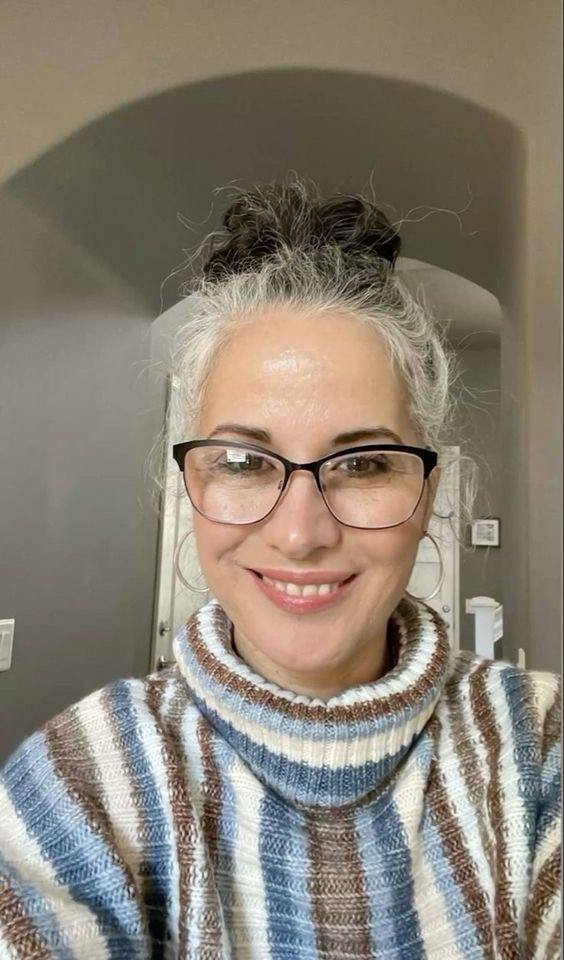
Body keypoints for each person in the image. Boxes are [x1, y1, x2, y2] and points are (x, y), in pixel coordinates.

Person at [0, 176, 560, 960]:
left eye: (363, 464)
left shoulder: (541, 750)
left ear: (427, 493)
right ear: (189, 484)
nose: (300, 535)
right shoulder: (80, 782)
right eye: (243, 461)